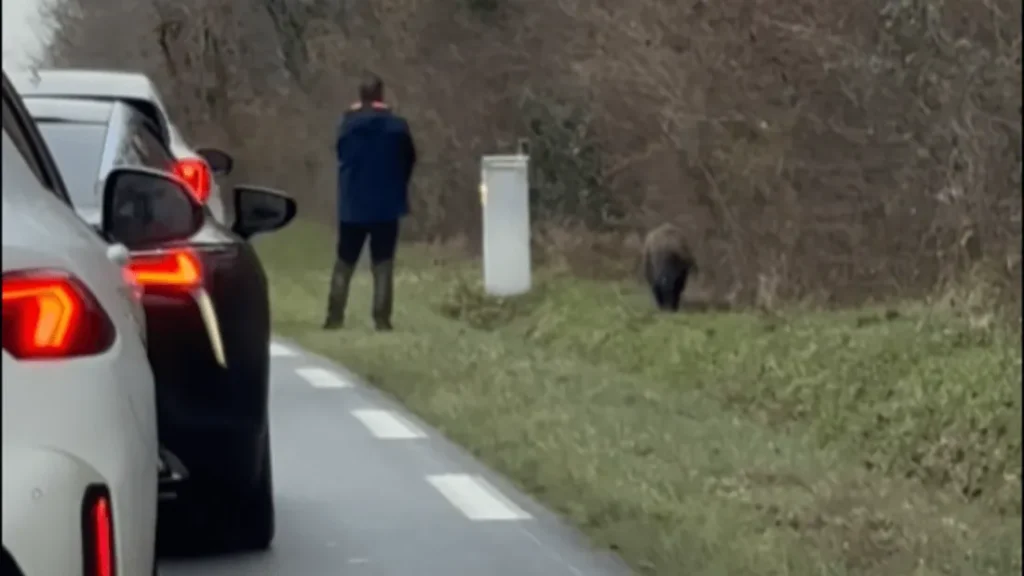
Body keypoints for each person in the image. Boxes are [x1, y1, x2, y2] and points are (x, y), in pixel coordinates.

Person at [323, 73, 417, 331]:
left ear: (360, 95)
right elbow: (409, 159)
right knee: (383, 262)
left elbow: (341, 153)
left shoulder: (347, 124)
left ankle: (334, 316)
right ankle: (382, 318)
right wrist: (398, 185)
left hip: (353, 205)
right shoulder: (398, 127)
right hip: (387, 204)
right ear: (381, 95)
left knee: (345, 261)